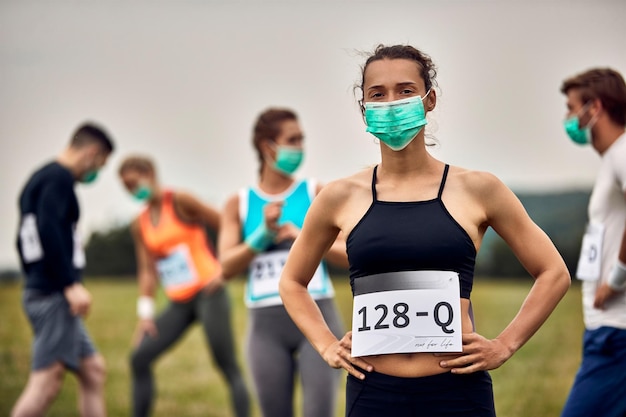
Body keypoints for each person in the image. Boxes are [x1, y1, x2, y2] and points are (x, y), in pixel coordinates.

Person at [278, 44, 572, 417]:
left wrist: (505, 345)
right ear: (363, 108)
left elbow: (554, 272)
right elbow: (291, 281)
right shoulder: (338, 197)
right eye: (377, 94)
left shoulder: (478, 189)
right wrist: (326, 345)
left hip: (458, 392)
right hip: (373, 393)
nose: (391, 103)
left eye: (405, 90)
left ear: (429, 100)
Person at [218, 108, 347, 417]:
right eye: (293, 140)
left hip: (318, 319)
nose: (300, 147)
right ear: (267, 147)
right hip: (266, 329)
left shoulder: (317, 192)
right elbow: (226, 266)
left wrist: (303, 237)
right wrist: (262, 235)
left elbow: (350, 254)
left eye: (301, 139)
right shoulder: (240, 202)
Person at [117, 155, 250, 417]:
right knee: (139, 358)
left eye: (135, 183)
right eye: (127, 188)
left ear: (150, 174)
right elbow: (147, 270)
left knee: (227, 364)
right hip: (179, 302)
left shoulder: (180, 201)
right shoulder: (139, 223)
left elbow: (228, 223)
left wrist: (225, 270)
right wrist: (144, 314)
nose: (133, 191)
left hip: (209, 293)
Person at [12, 122, 115, 417]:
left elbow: (21, 240)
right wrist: (68, 284)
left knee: (93, 371)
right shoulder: (59, 179)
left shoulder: (40, 177)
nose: (95, 172)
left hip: (45, 289)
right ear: (92, 153)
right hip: (53, 294)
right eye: (100, 165)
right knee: (46, 383)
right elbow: (48, 230)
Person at [559, 68, 626, 417]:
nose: (568, 119)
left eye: (571, 108)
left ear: (594, 107)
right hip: (607, 332)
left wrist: (616, 279)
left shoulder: (622, 151)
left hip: (616, 333)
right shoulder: (612, 160)